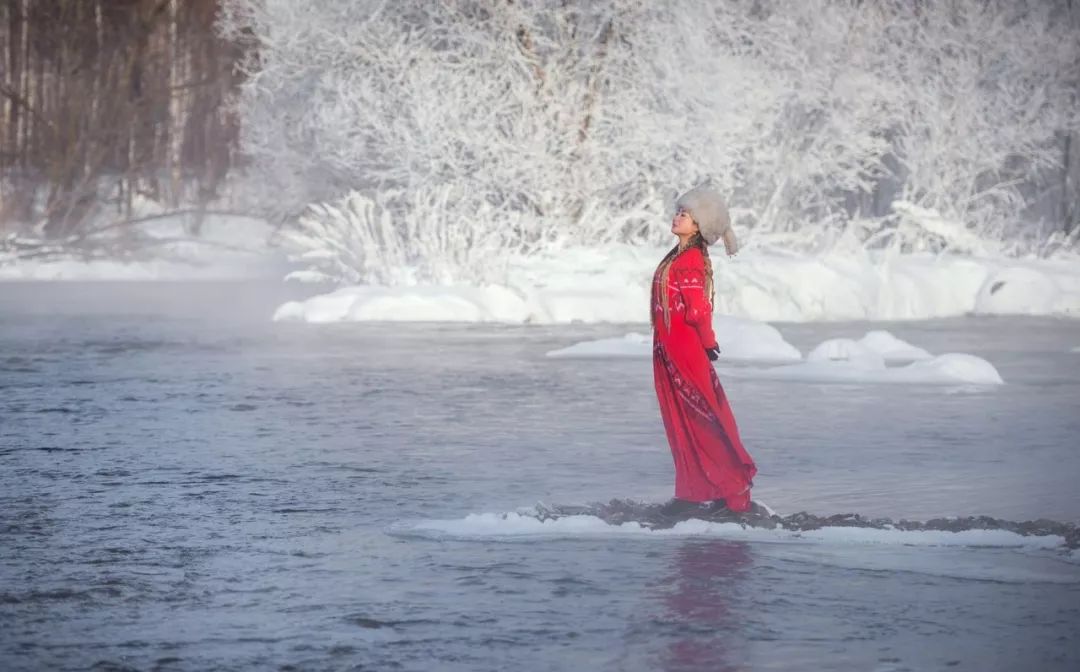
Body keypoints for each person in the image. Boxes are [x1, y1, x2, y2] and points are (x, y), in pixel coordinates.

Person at [651, 185, 756, 513]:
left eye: (686, 214)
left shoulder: (691, 258)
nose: (678, 216)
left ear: (699, 225)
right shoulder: (678, 255)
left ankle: (734, 491)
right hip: (670, 348)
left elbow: (697, 309)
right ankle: (696, 491)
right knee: (683, 420)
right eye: (679, 211)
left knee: (702, 419)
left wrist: (708, 343)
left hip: (683, 350)